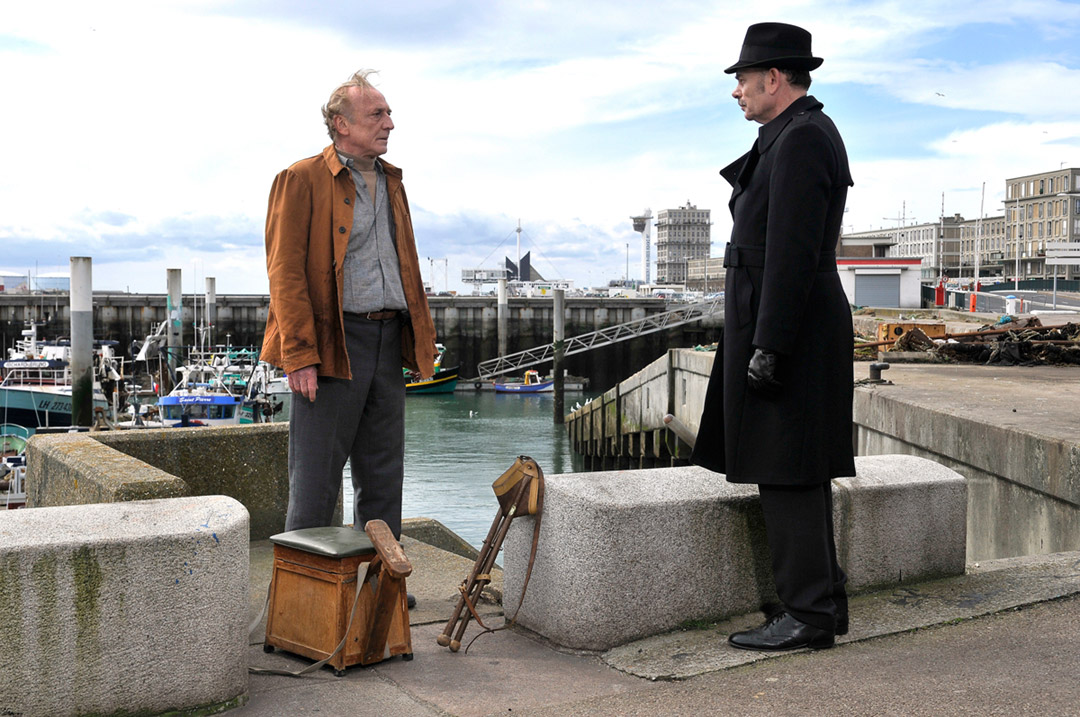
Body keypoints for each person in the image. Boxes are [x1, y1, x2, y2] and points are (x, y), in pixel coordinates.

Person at [691, 23, 855, 651]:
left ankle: (808, 616)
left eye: (742, 78)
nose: (736, 90)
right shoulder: (792, 135)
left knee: (787, 469)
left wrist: (771, 345)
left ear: (774, 78)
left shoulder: (803, 138)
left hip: (790, 327)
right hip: (784, 322)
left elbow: (790, 252)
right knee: (796, 467)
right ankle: (824, 603)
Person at [261, 70, 438, 554]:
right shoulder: (300, 179)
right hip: (334, 343)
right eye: (377, 114)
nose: (390, 124)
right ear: (341, 123)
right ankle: (302, 610)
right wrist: (298, 355)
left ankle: (379, 594)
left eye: (389, 113)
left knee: (383, 481)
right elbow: (285, 273)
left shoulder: (391, 181)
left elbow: (402, 264)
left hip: (386, 341)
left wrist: (418, 340)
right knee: (316, 485)